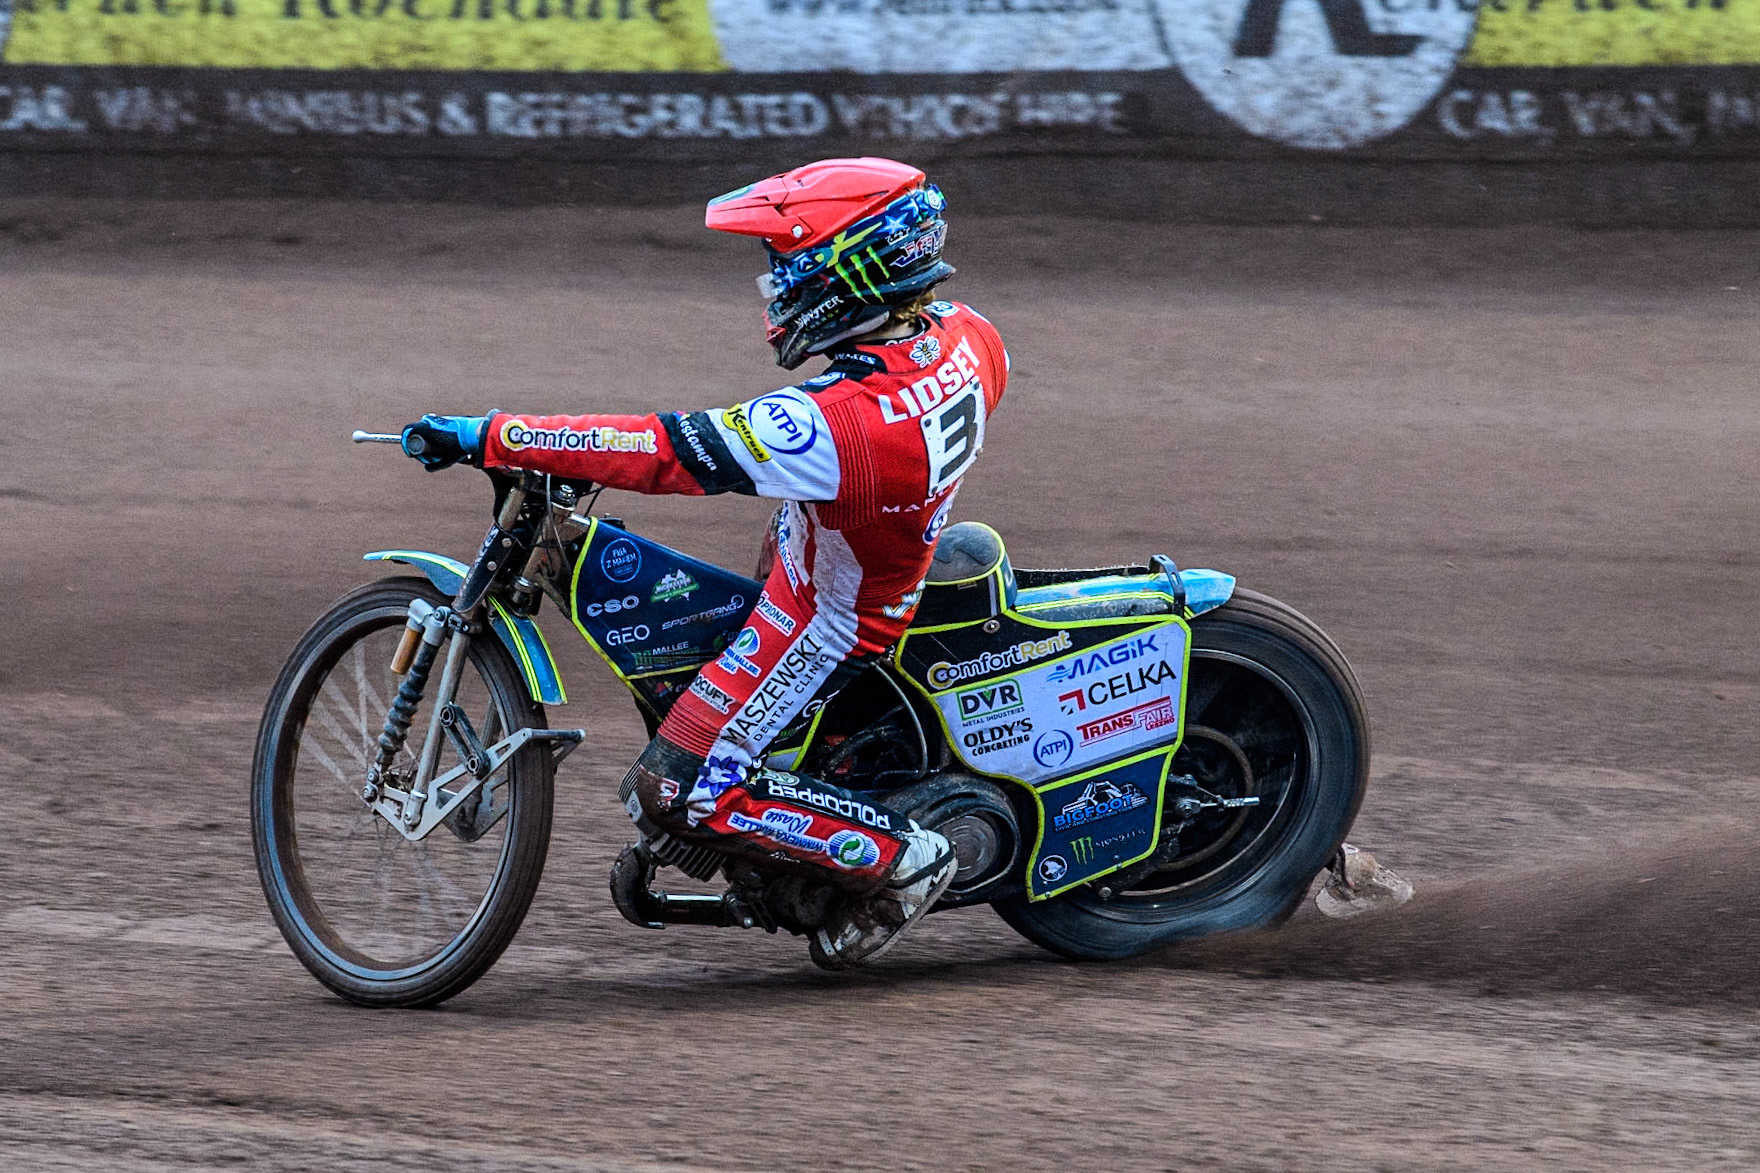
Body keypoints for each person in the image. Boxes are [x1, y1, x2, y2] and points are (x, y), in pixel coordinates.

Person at [400, 157, 1009, 968]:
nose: (776, 286)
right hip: (851, 551)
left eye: (789, 266)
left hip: (829, 620)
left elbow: (664, 450)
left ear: (851, 267)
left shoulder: (841, 423)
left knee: (674, 787)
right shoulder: (969, 337)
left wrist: (493, 433)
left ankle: (902, 858)